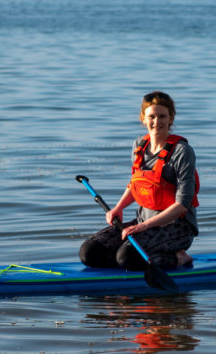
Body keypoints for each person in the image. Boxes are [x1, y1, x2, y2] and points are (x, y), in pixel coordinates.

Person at [79, 91, 199, 270]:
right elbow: (136, 184)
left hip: (177, 228)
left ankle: (177, 258)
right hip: (143, 223)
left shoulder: (182, 152)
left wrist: (143, 227)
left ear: (171, 118)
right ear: (143, 118)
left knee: (127, 258)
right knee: (89, 253)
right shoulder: (139, 146)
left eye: (162, 116)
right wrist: (118, 208)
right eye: (151, 116)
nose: (157, 122)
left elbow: (182, 205)